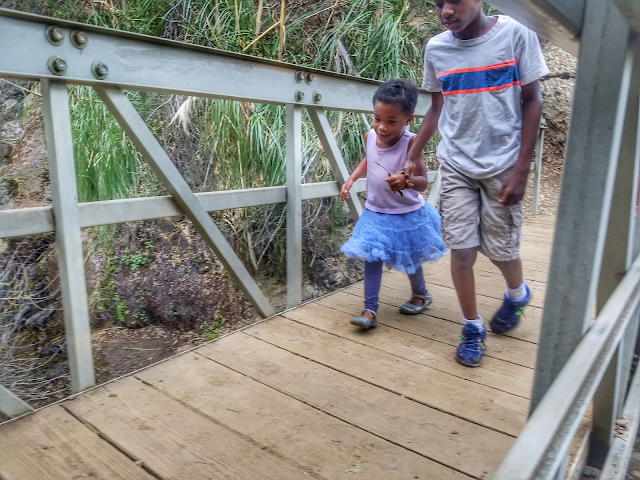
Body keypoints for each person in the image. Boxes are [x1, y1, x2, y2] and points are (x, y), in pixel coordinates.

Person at [403, 0, 548, 366]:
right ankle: (472, 327)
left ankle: (517, 293)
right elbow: (437, 107)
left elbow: (533, 101)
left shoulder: (516, 33)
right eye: (438, 4)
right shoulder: (437, 48)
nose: (445, 11)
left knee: (500, 250)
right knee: (462, 249)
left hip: (504, 163)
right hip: (456, 163)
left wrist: (522, 169)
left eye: (453, 0)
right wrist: (412, 154)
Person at [340, 79, 446, 330]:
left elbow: (422, 181)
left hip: (406, 213)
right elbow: (369, 159)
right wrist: (352, 177)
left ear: (408, 120)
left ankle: (420, 294)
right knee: (372, 257)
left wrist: (406, 181)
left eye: (391, 121)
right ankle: (370, 310)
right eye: (377, 118)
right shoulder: (370, 135)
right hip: (375, 211)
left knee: (410, 256)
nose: (382, 127)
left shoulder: (411, 143)